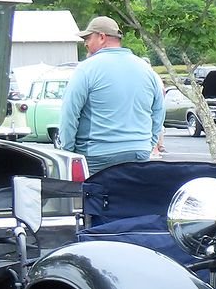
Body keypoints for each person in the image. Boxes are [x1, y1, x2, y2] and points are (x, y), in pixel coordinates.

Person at [59, 15, 166, 174]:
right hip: (138, 152)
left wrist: (67, 152)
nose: (85, 44)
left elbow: (69, 114)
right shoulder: (146, 69)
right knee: (131, 197)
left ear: (101, 37)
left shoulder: (86, 69)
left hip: (97, 154)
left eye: (88, 38)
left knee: (94, 198)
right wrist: (148, 144)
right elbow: (159, 111)